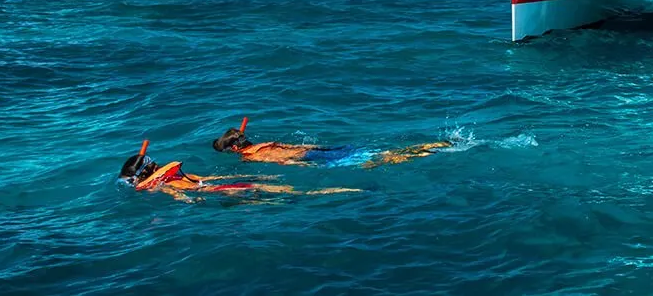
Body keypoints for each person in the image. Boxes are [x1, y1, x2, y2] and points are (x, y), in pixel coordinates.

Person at [118, 142, 359, 202]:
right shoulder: (175, 174)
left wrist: (193, 201)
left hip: (225, 191)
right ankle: (348, 188)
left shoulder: (164, 183)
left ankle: (346, 189)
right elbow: (206, 179)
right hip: (227, 184)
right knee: (286, 189)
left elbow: (186, 196)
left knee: (299, 193)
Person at [210, 122, 453, 170]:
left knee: (375, 161)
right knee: (371, 154)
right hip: (319, 150)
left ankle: (427, 152)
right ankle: (431, 144)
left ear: (233, 148)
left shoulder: (252, 157)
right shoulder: (264, 144)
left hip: (314, 159)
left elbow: (283, 161)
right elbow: (287, 148)